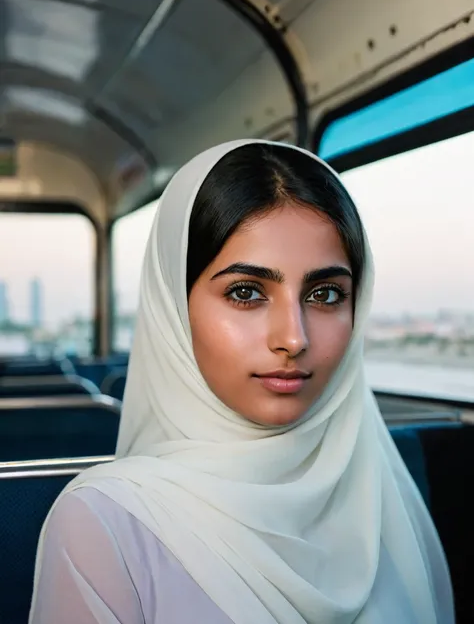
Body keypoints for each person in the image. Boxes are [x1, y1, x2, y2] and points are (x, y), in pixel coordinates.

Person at [29, 140, 454, 624]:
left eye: (326, 294)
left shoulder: (385, 487)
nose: (293, 338)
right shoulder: (106, 524)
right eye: (246, 292)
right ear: (175, 307)